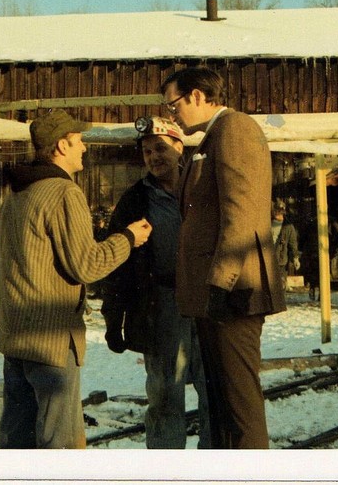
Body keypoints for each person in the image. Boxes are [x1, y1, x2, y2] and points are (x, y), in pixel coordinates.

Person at [0, 110, 152, 449]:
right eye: (79, 142)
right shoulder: (64, 193)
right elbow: (87, 265)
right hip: (51, 343)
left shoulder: (15, 197)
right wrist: (128, 238)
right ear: (62, 145)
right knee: (60, 445)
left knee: (16, 445)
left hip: (14, 339)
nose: (84, 149)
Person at [163, 66, 285, 449]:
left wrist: (220, 283)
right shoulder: (211, 137)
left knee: (239, 407)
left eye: (174, 104)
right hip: (217, 295)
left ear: (198, 95)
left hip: (233, 293)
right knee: (223, 409)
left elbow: (242, 213)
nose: (172, 114)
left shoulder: (234, 129)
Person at [101, 116, 211, 449]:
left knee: (216, 394)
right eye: (147, 151)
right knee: (165, 396)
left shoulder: (205, 188)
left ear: (180, 148)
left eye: (160, 148)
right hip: (162, 306)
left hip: (208, 306)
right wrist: (113, 317)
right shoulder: (135, 200)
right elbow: (117, 263)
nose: (153, 157)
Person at [271, 200, 301, 290]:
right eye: (277, 210)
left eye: (280, 211)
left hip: (281, 260)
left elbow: (293, 244)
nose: (278, 213)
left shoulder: (288, 227)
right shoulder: (268, 223)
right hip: (269, 259)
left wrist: (296, 258)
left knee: (281, 287)